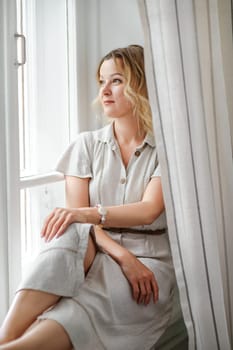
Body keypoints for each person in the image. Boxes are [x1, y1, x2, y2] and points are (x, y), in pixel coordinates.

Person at [0, 45, 175, 350]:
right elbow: (79, 225)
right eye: (101, 81)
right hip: (96, 246)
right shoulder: (85, 144)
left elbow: (148, 210)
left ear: (141, 85)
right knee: (68, 233)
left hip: (149, 262)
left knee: (74, 313)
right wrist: (121, 254)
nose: (105, 90)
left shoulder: (166, 149)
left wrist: (88, 216)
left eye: (117, 80)